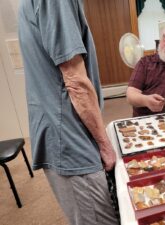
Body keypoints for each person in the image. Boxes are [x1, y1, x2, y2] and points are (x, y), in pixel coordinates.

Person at [18, 1, 119, 225]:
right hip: (70, 136)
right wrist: (104, 144)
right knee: (98, 219)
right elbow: (75, 81)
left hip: (61, 128)